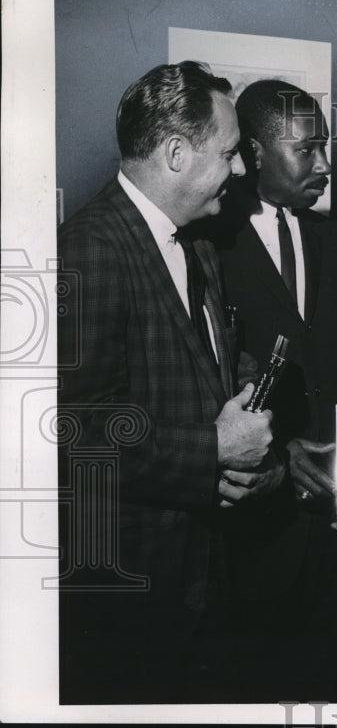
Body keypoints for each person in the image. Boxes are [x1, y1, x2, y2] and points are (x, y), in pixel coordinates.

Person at [57, 61, 276, 703]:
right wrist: (214, 451)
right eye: (231, 153)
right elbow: (73, 433)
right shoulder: (89, 250)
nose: (240, 172)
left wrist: (253, 443)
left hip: (205, 585)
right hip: (131, 601)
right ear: (177, 153)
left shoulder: (198, 244)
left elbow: (217, 366)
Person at [209, 80, 337, 701]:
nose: (325, 165)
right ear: (254, 152)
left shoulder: (335, 239)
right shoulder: (209, 241)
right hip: (251, 531)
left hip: (334, 526)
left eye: (325, 148)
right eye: (307, 150)